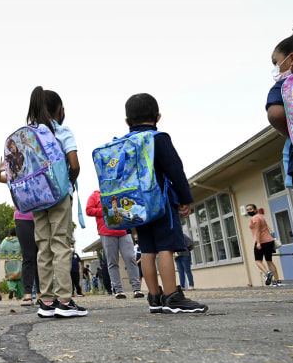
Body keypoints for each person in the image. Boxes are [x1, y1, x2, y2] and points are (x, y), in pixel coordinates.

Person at [124, 93, 208, 314]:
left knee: (148, 250)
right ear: (158, 116)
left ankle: (155, 297)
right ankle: (173, 296)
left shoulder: (125, 143)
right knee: (166, 248)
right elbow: (175, 170)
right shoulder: (158, 138)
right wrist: (185, 198)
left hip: (137, 208)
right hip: (160, 204)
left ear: (127, 122)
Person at [26, 86, 87, 318]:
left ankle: (47, 301)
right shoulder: (61, 131)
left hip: (36, 199)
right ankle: (64, 301)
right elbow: (74, 165)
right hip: (59, 196)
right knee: (60, 243)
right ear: (60, 109)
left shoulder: (29, 134)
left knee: (43, 246)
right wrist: (68, 184)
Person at [266, 21, 293, 212]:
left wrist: (290, 130)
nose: (276, 69)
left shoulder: (286, 84)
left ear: (291, 59)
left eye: (276, 62)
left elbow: (276, 114)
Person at [0, 160, 39, 305]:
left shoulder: (40, 175)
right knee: (28, 256)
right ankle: (27, 294)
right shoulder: (15, 179)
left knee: (42, 256)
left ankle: (42, 293)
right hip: (23, 218)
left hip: (41, 217)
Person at [85, 190, 144, 299]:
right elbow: (88, 210)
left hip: (124, 230)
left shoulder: (120, 191)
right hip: (106, 232)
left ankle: (136, 288)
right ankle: (118, 290)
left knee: (130, 258)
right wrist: (105, 211)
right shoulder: (95, 195)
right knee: (112, 261)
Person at [244, 204, 282, 286]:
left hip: (262, 242)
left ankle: (267, 273)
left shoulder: (255, 218)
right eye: (247, 210)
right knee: (269, 261)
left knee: (258, 261)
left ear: (255, 209)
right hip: (269, 241)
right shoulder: (261, 216)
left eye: (250, 209)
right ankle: (277, 281)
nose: (249, 211)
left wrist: (258, 242)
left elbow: (258, 231)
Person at [0, 227, 23, 300]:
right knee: (19, 278)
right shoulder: (20, 240)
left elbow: (1, 249)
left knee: (9, 277)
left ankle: (12, 288)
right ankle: (19, 295)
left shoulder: (5, 241)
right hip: (19, 261)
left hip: (9, 262)